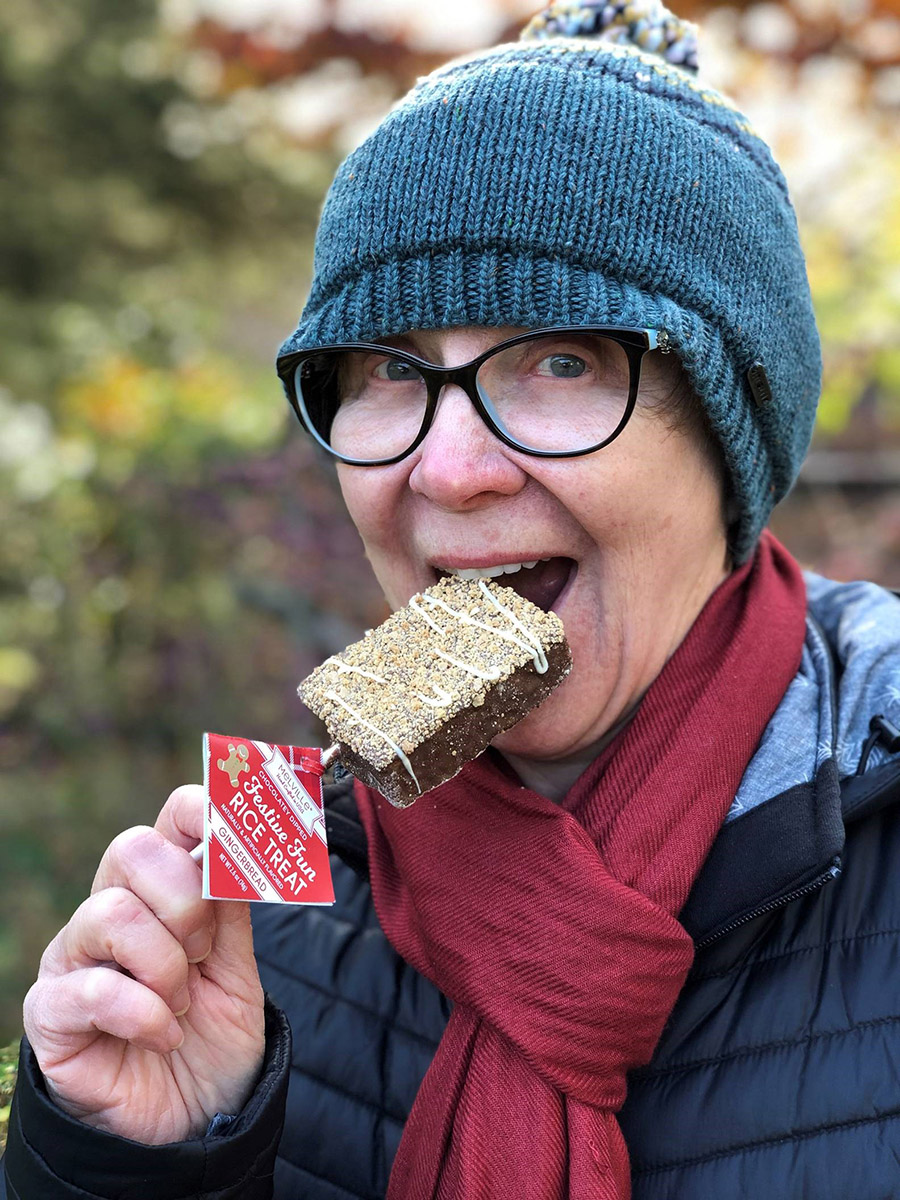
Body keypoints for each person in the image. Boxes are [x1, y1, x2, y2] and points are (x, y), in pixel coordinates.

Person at [4, 1, 900, 1196]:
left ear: (727, 434)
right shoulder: (273, 902)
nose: (450, 468)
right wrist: (135, 1159)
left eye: (563, 360)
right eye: (388, 369)